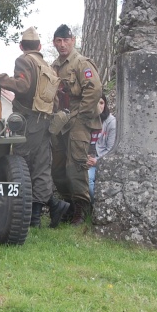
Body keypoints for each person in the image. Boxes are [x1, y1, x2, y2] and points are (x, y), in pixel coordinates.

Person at [0, 27, 70, 228]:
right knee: (40, 167)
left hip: (29, 121)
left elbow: (22, 86)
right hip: (44, 120)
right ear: (39, 46)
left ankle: (40, 211)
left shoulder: (24, 61)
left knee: (21, 165)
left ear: (22, 46)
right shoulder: (46, 66)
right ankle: (40, 215)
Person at [49, 24, 102, 226]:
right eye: (58, 41)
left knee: (76, 165)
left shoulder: (82, 63)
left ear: (73, 41)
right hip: (60, 120)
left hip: (79, 119)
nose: (62, 45)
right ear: (54, 43)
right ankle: (68, 206)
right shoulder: (54, 66)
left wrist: (81, 115)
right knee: (58, 167)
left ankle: (81, 209)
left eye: (66, 40)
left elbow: (94, 90)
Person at [87, 94, 116, 200]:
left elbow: (111, 150)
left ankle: (98, 203)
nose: (99, 106)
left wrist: (97, 161)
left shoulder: (111, 123)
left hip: (100, 159)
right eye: (96, 103)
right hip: (86, 158)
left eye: (102, 103)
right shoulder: (87, 119)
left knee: (88, 178)